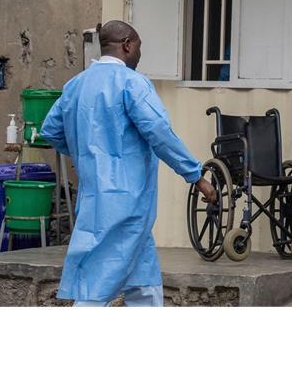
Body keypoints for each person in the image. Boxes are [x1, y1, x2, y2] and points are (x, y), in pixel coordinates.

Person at [40, 20, 217, 307]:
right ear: (128, 44)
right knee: (96, 290)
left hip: (94, 199)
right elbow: (160, 133)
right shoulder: (132, 84)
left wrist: (87, 154)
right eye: (139, 48)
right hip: (128, 202)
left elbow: (50, 130)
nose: (139, 55)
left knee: (144, 285)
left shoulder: (76, 85)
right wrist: (196, 176)